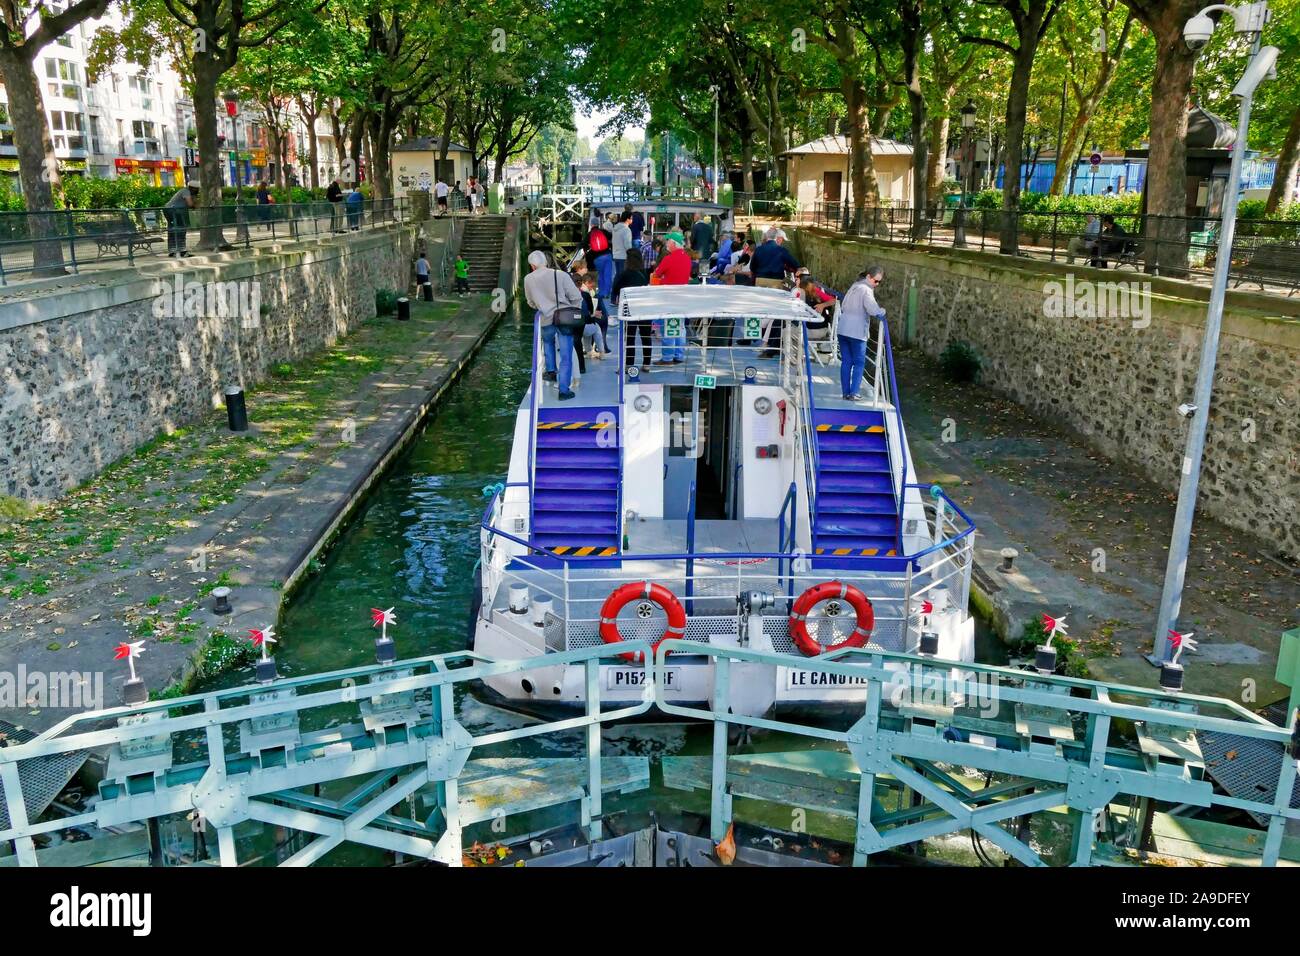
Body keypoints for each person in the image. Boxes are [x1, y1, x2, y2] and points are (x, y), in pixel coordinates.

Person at [524, 250, 584, 401]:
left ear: (532, 265)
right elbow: (576, 298)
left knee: (548, 342)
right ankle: (563, 391)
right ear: (545, 261)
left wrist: (542, 305)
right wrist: (571, 310)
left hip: (545, 319)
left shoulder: (528, 279)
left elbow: (531, 302)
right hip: (563, 319)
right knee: (565, 356)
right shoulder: (560, 275)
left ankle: (550, 370)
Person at [837, 266, 885, 401]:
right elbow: (872, 309)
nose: (877, 284)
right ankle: (854, 393)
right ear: (869, 277)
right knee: (859, 362)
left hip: (843, 328)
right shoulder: (866, 290)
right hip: (857, 331)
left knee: (846, 362)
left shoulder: (854, 286)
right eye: (876, 281)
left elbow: (844, 305)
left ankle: (845, 392)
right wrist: (882, 311)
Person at [651, 232, 691, 364]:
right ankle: (679, 355)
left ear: (674, 243)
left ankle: (667, 357)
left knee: (668, 326)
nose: (666, 244)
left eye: (668, 241)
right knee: (680, 327)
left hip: (668, 297)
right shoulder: (687, 258)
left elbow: (657, 273)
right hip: (683, 297)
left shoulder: (668, 258)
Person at [613, 248, 651, 372]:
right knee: (646, 336)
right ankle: (647, 363)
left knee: (630, 337)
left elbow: (615, 288)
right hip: (645, 308)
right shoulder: (645, 272)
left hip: (629, 308)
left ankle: (629, 363)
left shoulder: (624, 274)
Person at [164, 180, 198, 257]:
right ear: (194, 189)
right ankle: (182, 251)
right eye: (197, 189)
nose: (198, 191)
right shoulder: (186, 192)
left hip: (168, 209)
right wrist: (195, 204)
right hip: (175, 211)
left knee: (172, 230)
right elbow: (190, 204)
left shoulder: (183, 190)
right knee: (181, 229)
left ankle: (172, 251)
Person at [611, 211, 633, 275]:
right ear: (627, 219)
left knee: (618, 275)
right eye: (631, 218)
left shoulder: (615, 228)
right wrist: (631, 254)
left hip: (615, 255)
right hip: (624, 256)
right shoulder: (626, 230)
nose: (632, 220)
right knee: (623, 276)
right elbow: (627, 244)